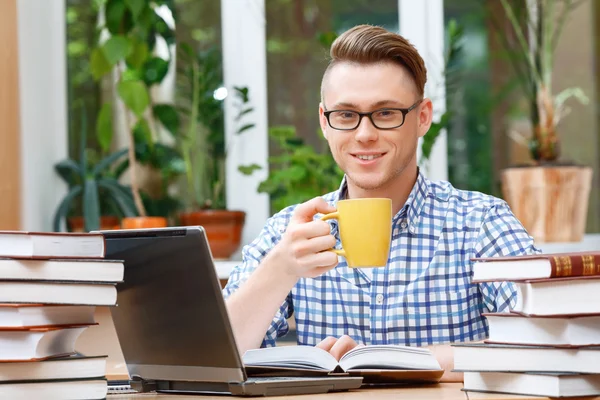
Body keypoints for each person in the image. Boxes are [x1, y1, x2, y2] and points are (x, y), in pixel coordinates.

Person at [222, 24, 538, 382]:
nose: (365, 134)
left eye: (386, 113)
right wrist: (280, 268)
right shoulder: (290, 232)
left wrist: (399, 362)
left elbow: (541, 342)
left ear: (421, 118)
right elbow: (217, 361)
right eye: (346, 115)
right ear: (324, 122)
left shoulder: (481, 221)